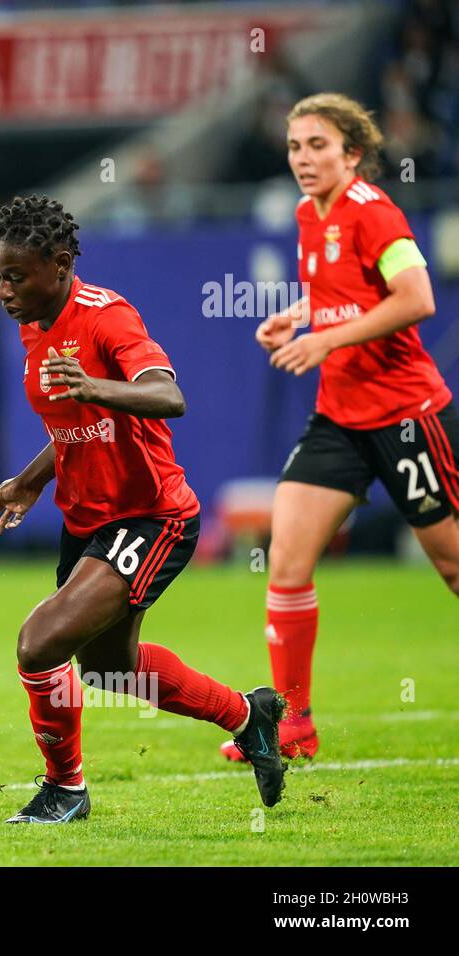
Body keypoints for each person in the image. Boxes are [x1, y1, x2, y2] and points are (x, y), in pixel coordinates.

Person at [0, 194, 285, 823]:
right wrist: (31, 480)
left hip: (150, 518)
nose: (4, 291)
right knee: (112, 672)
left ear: (60, 264)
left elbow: (167, 396)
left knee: (38, 645)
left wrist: (95, 386)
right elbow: (75, 424)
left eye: (16, 276)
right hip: (86, 517)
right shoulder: (33, 322)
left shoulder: (106, 317)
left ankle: (66, 791)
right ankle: (248, 715)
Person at [225, 92, 459, 762]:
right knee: (288, 564)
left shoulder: (373, 212)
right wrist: (300, 318)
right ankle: (293, 722)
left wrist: (326, 342)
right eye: (296, 146)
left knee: (452, 568)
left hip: (407, 415)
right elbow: (340, 293)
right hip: (339, 418)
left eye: (318, 146)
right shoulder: (308, 213)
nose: (303, 158)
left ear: (353, 154)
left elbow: (417, 297)